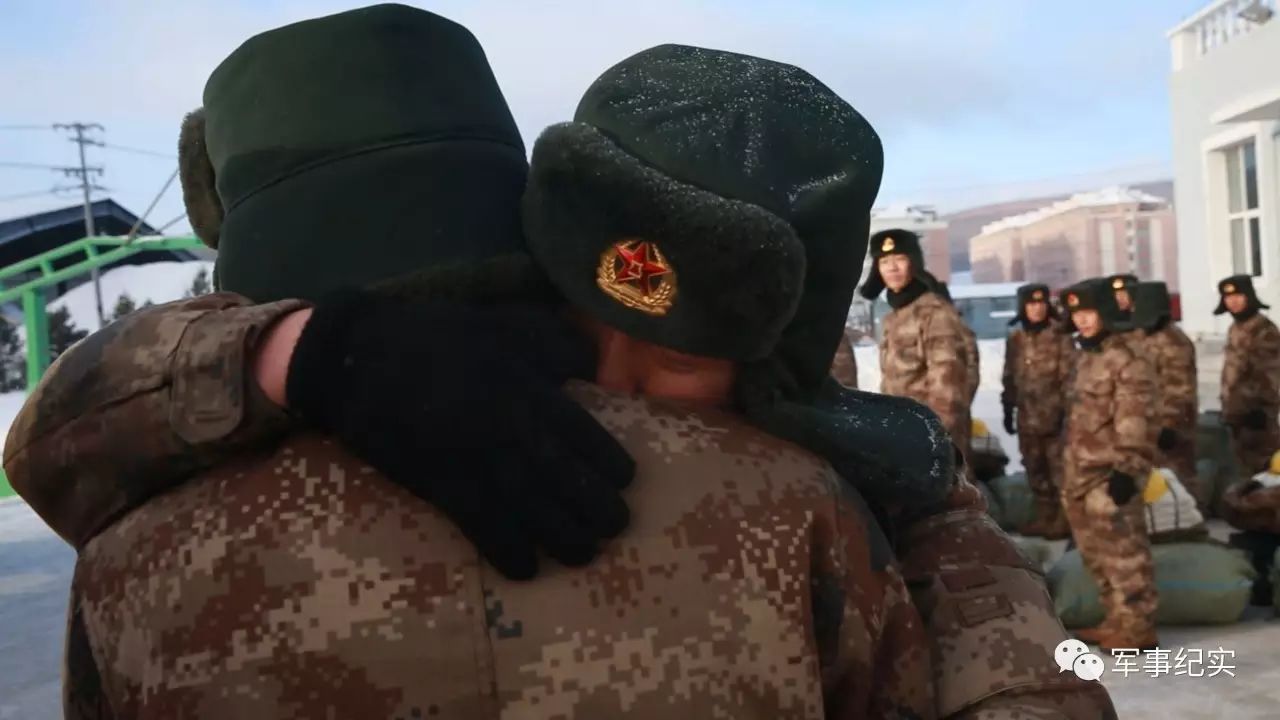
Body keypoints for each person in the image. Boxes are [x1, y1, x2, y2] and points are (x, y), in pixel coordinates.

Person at [9, 11, 1115, 719]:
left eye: (680, 351)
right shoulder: (794, 511)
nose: (627, 379)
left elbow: (57, 445)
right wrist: (310, 356)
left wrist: (290, 357)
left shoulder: (139, 549)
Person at [1059, 279, 1159, 651]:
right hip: (1080, 473)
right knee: (1095, 553)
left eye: (1089, 312)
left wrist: (1127, 469)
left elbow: (1136, 417)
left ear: (1106, 312)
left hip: (1110, 472)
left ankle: (1138, 627)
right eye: (1076, 314)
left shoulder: (1127, 358)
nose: (1082, 321)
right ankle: (1116, 618)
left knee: (1125, 554)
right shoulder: (1087, 355)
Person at [860, 231, 972, 465]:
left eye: (900, 259)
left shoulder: (935, 312)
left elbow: (949, 388)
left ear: (914, 263)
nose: (892, 268)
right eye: (884, 261)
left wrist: (934, 440)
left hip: (932, 442)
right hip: (904, 437)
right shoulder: (894, 317)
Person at [1002, 283, 1075, 538]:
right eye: (1031, 304)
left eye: (1041, 303)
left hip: (1055, 420)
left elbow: (1070, 379)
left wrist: (1067, 414)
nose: (1037, 308)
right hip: (1027, 420)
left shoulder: (1060, 337)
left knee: (1060, 472)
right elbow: (1009, 376)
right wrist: (1007, 406)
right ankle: (1045, 518)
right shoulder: (1016, 339)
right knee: (1036, 471)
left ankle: (1064, 521)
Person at [1131, 281, 1200, 505]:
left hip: (1172, 428)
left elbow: (1180, 389)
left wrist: (1169, 425)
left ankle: (1189, 518)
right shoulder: (1143, 336)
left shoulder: (1174, 342)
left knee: (1178, 481)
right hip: (1149, 425)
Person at [1215, 274, 1280, 476]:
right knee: (1242, 475)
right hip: (1236, 419)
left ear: (1249, 297)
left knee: (1266, 475)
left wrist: (1260, 408)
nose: (1233, 301)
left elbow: (1270, 374)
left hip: (1257, 420)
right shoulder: (1235, 329)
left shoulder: (1264, 329)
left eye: (1238, 296)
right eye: (1228, 297)